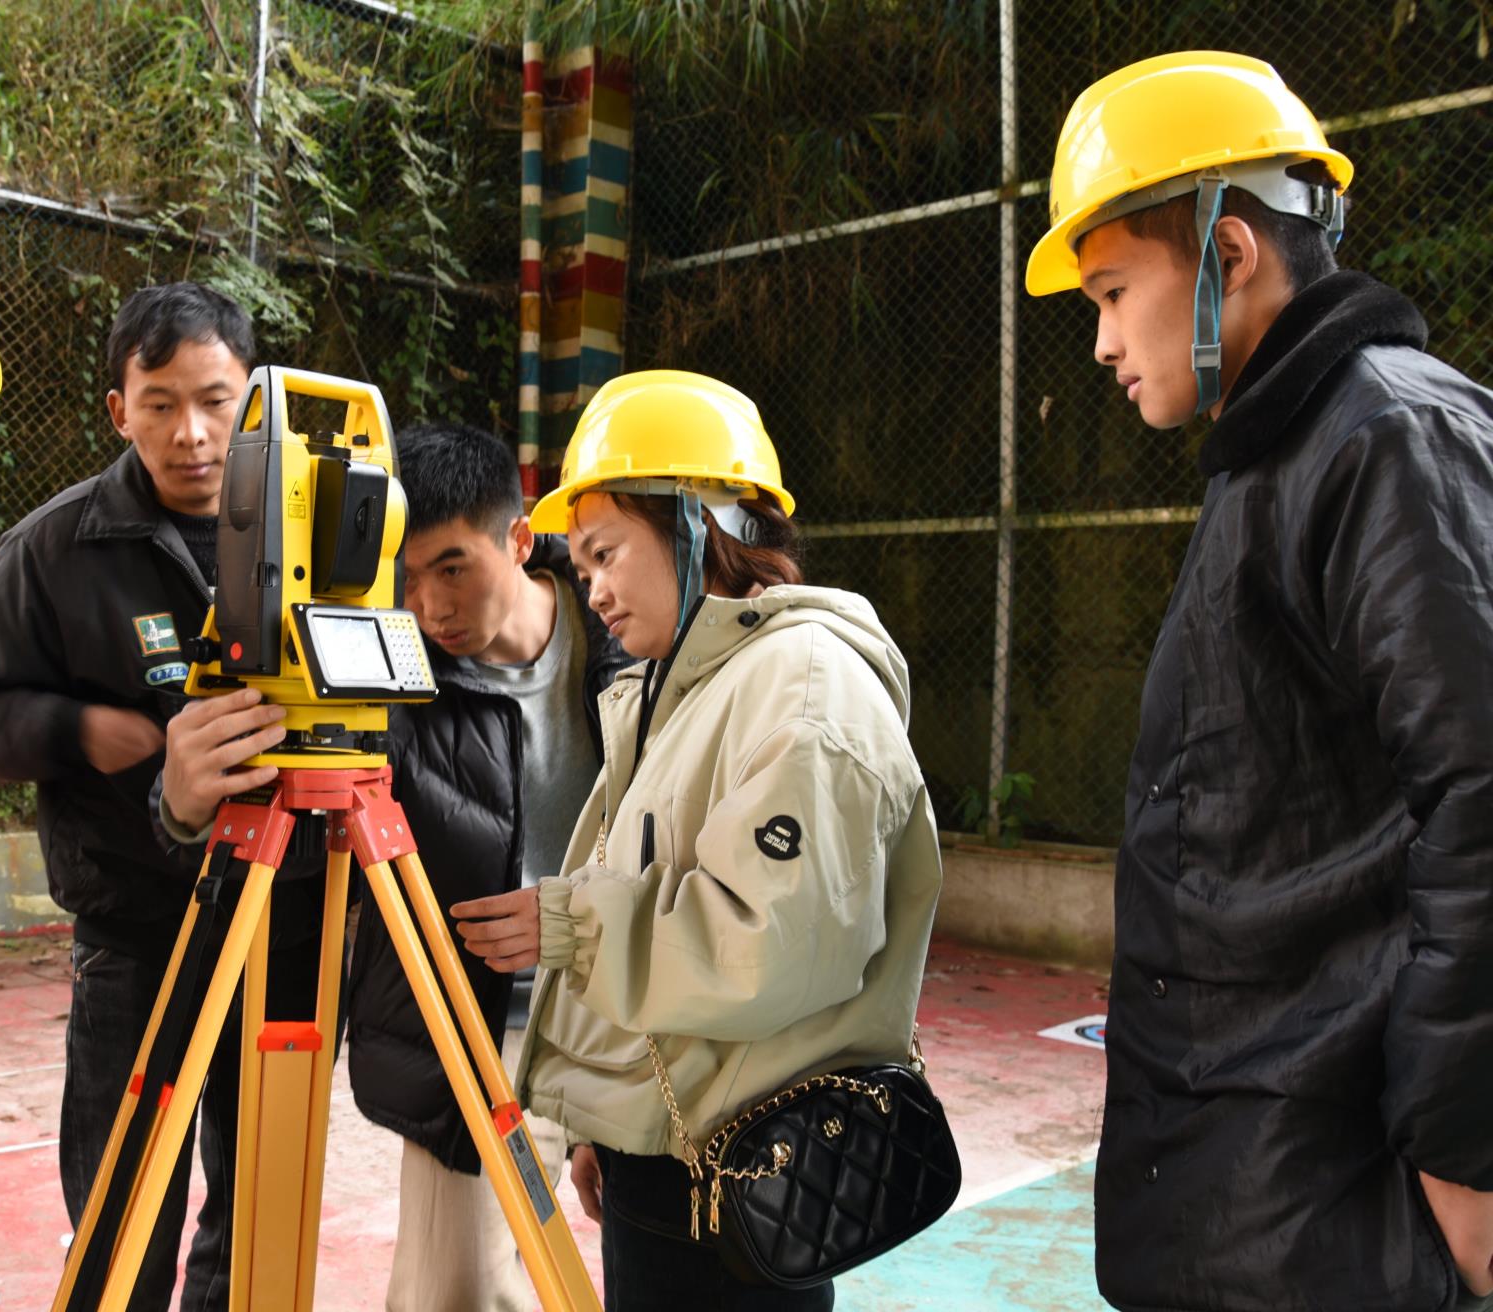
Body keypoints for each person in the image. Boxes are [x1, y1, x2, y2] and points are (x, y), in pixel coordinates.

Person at [1025, 50, 1493, 1310]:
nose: (1100, 341)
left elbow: (1479, 801)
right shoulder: (1276, 455)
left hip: (1340, 1200)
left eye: (1113, 292)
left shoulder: (1384, 436)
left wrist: (1461, 1157)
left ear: (1226, 252)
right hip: (1261, 1187)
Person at [471, 369, 944, 1309]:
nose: (592, 590)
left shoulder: (805, 687)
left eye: (605, 553)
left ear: (699, 522)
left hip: (751, 1195)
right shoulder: (676, 690)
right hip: (671, 1172)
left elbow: (768, 947)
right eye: (581, 567)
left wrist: (572, 925)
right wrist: (614, 1121)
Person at [0, 282, 319, 1308]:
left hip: (281, 934)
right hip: (135, 940)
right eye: (158, 404)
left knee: (255, 1217)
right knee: (121, 1214)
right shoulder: (57, 548)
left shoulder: (321, 539)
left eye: (214, 399)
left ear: (258, 403)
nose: (190, 433)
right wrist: (77, 733)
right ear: (118, 410)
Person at [336, 420, 629, 1311]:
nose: (429, 606)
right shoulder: (391, 678)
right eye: (408, 577)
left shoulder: (621, 643)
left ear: (518, 539)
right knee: (457, 1293)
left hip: (623, 1015)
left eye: (452, 568)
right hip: (473, 1034)